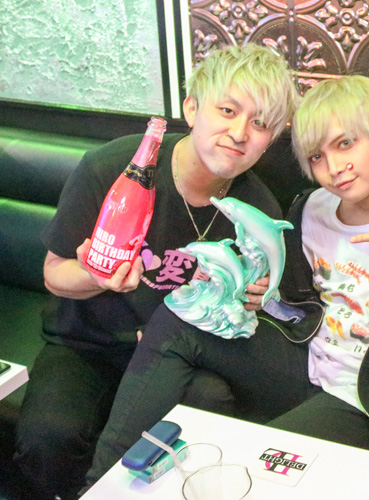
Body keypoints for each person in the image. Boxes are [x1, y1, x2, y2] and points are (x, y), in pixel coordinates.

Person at [85, 75, 369, 485]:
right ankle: (98, 485)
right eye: (317, 156)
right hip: (306, 363)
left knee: (255, 469)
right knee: (177, 316)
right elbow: (296, 304)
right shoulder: (312, 209)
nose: (334, 169)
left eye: (346, 144)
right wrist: (264, 296)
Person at [14, 43, 297, 500]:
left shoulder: (256, 213)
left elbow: (247, 313)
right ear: (192, 108)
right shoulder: (115, 169)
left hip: (178, 358)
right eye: (227, 110)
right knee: (49, 438)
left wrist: (255, 297)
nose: (239, 133)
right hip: (87, 347)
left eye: (260, 123)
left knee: (212, 413)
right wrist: (95, 275)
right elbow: (53, 273)